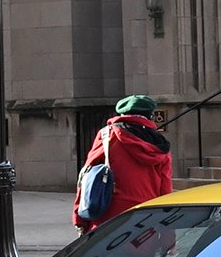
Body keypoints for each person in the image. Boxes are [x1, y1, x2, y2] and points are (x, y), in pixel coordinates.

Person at [73, 94, 173, 232]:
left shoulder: (107, 136)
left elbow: (86, 176)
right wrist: (167, 232)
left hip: (110, 216)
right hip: (147, 216)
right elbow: (165, 189)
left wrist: (80, 219)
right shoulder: (160, 144)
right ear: (151, 116)